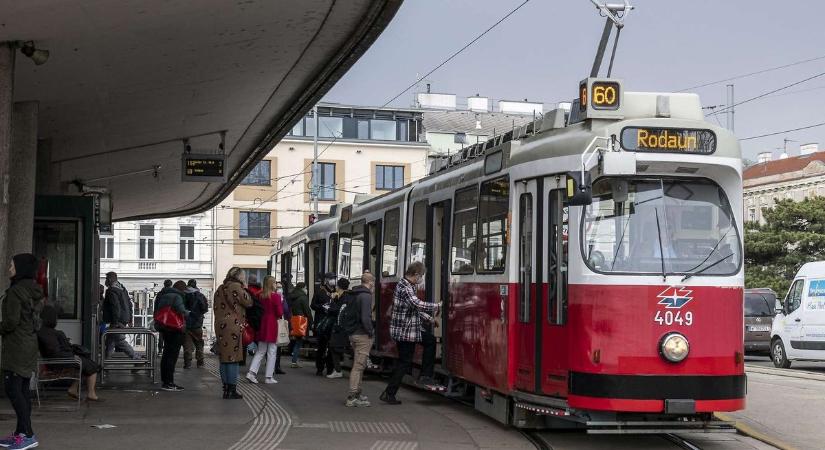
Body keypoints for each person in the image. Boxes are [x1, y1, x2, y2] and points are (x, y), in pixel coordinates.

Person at [0, 254, 43, 450]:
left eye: (12, 265)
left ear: (20, 267)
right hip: (29, 344)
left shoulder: (16, 292)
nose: (9, 268)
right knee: (23, 389)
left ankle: (27, 434)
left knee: (13, 389)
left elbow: (10, 322)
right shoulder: (34, 290)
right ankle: (21, 433)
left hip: (17, 346)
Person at [381, 262, 438, 405]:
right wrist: (437, 305)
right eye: (422, 275)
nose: (422, 279)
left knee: (429, 341)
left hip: (409, 330)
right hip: (405, 332)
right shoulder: (405, 287)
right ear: (416, 274)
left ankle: (424, 375)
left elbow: (414, 309)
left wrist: (430, 319)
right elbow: (417, 304)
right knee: (404, 362)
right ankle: (389, 393)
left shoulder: (407, 285)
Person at [37, 305, 101, 401]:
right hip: (60, 362)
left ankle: (73, 389)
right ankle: (91, 393)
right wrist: (73, 356)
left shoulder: (41, 332)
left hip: (51, 363)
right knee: (92, 366)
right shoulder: (56, 333)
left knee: (85, 365)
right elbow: (58, 351)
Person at [214, 267, 253, 399]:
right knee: (233, 358)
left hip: (220, 325)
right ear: (239, 276)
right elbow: (248, 302)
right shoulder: (236, 287)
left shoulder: (220, 288)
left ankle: (225, 389)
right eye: (243, 275)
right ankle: (232, 390)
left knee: (224, 358)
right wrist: (245, 288)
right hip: (233, 326)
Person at [342, 273, 375, 407]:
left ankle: (357, 393)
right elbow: (365, 318)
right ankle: (352, 396)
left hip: (353, 333)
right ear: (371, 282)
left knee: (359, 365)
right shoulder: (366, 296)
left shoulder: (354, 293)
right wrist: (371, 332)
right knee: (358, 366)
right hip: (362, 334)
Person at [246, 276, 284, 384]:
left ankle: (251, 373)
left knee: (261, 351)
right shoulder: (276, 296)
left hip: (262, 324)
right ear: (272, 284)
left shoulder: (259, 295)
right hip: (272, 324)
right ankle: (268, 377)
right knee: (272, 351)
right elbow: (280, 313)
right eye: (275, 283)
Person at [154, 280, 188, 391]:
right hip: (174, 329)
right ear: (182, 289)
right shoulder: (177, 296)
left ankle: (165, 381)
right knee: (172, 356)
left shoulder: (163, 294)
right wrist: (190, 313)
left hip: (165, 327)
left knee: (166, 355)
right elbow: (181, 310)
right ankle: (169, 382)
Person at [102, 272, 138, 359]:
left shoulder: (111, 291)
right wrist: (130, 319)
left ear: (110, 279)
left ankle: (137, 358)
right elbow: (129, 304)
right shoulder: (122, 289)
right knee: (110, 341)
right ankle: (106, 362)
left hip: (118, 320)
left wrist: (115, 322)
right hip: (123, 318)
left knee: (119, 340)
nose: (105, 281)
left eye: (106, 279)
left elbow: (115, 307)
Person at [311, 272, 337, 376]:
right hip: (322, 323)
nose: (333, 280)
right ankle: (320, 368)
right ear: (326, 280)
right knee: (321, 347)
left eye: (334, 278)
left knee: (331, 347)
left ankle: (330, 368)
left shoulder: (336, 291)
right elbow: (313, 305)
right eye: (331, 278)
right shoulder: (320, 291)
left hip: (332, 323)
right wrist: (322, 307)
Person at [327, 277, 350, 379]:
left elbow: (336, 310)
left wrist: (331, 302)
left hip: (340, 328)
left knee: (334, 346)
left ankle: (337, 370)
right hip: (342, 327)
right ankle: (337, 369)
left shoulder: (343, 298)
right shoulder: (345, 297)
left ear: (339, 287)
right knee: (335, 347)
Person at [182, 279, 209, 369]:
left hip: (186, 323)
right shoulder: (200, 296)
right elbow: (205, 308)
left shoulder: (183, 295)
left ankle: (187, 363)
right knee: (199, 343)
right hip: (197, 324)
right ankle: (200, 362)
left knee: (187, 345)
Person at [286, 282, 312, 368]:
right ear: (303, 288)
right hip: (302, 321)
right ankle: (294, 361)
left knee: (297, 341)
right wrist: (311, 322)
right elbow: (307, 311)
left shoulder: (293, 296)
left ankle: (294, 360)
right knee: (299, 342)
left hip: (295, 320)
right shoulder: (303, 297)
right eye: (306, 288)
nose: (306, 290)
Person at [274, 282, 290, 375]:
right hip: (276, 323)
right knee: (273, 347)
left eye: (281, 287)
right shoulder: (274, 297)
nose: (280, 289)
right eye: (278, 287)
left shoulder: (283, 298)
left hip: (281, 323)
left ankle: (277, 366)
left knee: (279, 345)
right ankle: (273, 366)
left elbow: (286, 310)